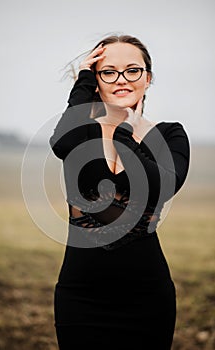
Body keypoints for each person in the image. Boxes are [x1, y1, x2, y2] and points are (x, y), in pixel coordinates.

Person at [49, 34, 190, 350]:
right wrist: (83, 80)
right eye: (108, 71)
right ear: (95, 81)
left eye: (132, 70)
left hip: (148, 297)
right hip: (80, 294)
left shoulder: (169, 134)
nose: (121, 79)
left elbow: (162, 184)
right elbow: (62, 143)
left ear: (147, 78)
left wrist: (126, 129)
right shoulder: (81, 133)